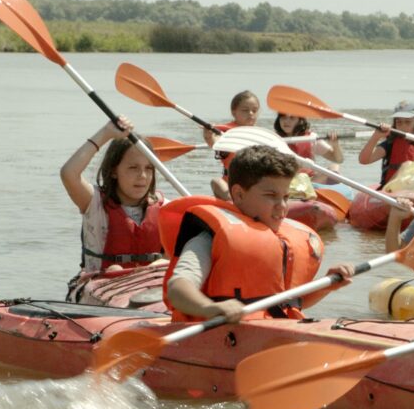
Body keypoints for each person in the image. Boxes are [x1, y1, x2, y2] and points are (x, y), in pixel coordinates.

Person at [163, 144, 353, 323]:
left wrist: (327, 284)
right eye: (271, 196)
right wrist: (210, 308)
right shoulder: (208, 238)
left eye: (286, 197)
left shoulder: (279, 240)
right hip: (216, 336)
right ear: (238, 194)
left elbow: (289, 303)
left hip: (270, 330)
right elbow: (178, 288)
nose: (282, 206)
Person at [60, 116, 166, 274]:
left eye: (149, 168)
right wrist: (106, 133)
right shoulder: (93, 203)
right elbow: (69, 173)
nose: (142, 176)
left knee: (160, 264)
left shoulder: (166, 208)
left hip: (150, 289)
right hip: (103, 287)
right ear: (114, 170)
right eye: (133, 167)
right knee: (114, 269)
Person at [358, 99, 414, 189]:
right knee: (407, 165)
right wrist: (376, 137)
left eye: (407, 122)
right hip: (391, 192)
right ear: (395, 124)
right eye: (399, 122)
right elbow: (364, 160)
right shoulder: (390, 144)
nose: (403, 127)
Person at [206, 90, 261, 198]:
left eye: (254, 110)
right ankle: (231, 201)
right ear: (234, 112)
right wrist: (208, 136)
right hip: (230, 184)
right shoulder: (224, 131)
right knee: (216, 182)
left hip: (254, 183)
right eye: (245, 110)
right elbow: (215, 143)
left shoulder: (262, 134)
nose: (250, 113)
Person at [275, 112, 344, 181]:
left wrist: (335, 145)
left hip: (309, 181)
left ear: (300, 120)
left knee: (334, 167)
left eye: (292, 118)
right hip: (284, 181)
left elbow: (338, 160)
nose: (286, 121)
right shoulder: (273, 139)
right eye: (283, 117)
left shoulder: (311, 138)